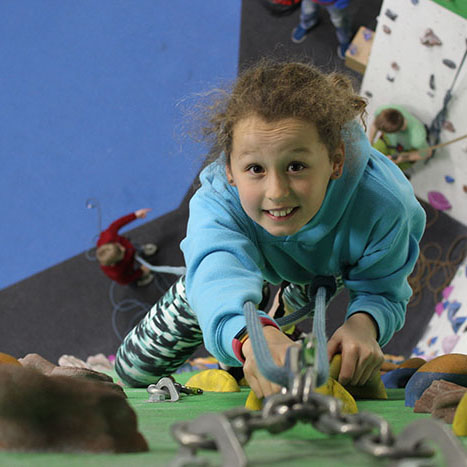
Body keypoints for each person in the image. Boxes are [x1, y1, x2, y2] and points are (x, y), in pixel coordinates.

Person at [115, 61, 426, 400]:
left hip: (327, 261)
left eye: (296, 166)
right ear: (230, 170)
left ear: (337, 161)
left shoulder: (384, 203)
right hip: (241, 259)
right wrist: (251, 335)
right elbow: (216, 274)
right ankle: (267, 327)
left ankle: (281, 320)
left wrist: (364, 324)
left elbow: (383, 287)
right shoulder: (218, 199)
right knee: (132, 370)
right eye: (255, 169)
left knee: (298, 300)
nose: (277, 191)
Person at [96, 208, 157, 287]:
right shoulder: (116, 273)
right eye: (121, 252)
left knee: (134, 248)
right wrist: (141, 271)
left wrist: (135, 215)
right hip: (128, 265)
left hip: (131, 251)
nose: (123, 248)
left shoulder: (108, 236)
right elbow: (125, 280)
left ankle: (141, 251)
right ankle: (140, 279)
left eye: (119, 246)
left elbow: (116, 224)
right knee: (133, 277)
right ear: (114, 263)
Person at [369, 105, 433, 172]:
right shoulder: (384, 111)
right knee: (370, 158)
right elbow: (375, 125)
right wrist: (370, 142)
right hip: (387, 141)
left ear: (394, 132)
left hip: (405, 151)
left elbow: (428, 152)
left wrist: (402, 158)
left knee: (387, 172)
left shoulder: (417, 138)